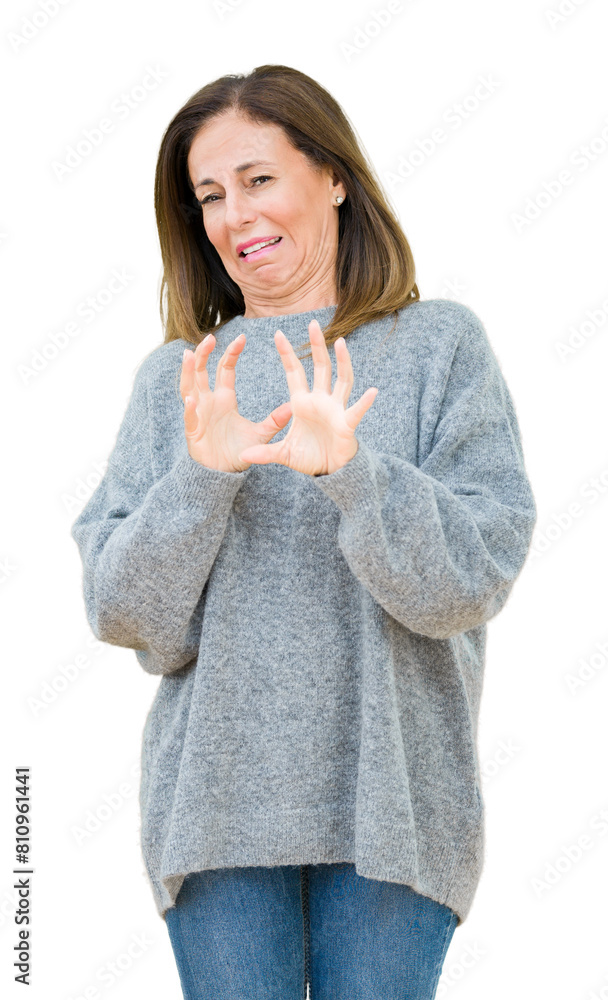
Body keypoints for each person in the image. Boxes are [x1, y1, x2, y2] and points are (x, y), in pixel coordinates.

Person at [70, 64, 537, 999]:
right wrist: (201, 482)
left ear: (333, 176)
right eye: (209, 195)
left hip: (395, 813)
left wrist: (352, 474)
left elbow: (471, 580)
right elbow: (124, 615)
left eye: (258, 179)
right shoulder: (180, 380)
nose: (235, 214)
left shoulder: (440, 345)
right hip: (215, 819)